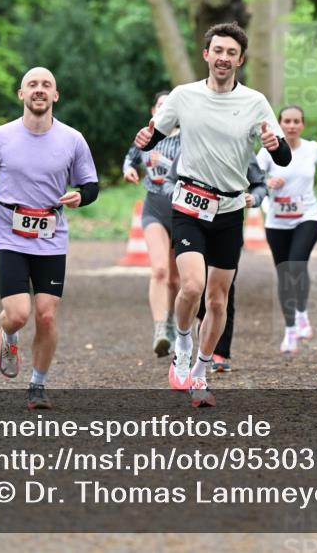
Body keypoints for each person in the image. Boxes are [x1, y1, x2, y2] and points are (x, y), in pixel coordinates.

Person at [134, 22, 291, 407]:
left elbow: (284, 156)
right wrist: (145, 139)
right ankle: (182, 345)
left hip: (230, 209)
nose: (223, 58)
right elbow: (155, 136)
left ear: (240, 60)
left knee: (218, 301)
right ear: (206, 54)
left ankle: (201, 373)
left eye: (231, 53)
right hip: (189, 203)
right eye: (217, 50)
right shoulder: (184, 96)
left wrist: (273, 145)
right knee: (192, 287)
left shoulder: (255, 102)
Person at [0, 67, 99, 410]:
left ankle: (37, 385)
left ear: (55, 95)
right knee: (18, 315)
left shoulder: (72, 139)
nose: (39, 89)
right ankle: (8, 334)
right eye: (32, 84)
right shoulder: (0, 137)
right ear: (21, 94)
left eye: (46, 85)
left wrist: (81, 196)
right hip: (9, 233)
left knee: (46, 316)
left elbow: (91, 185)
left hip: (51, 235)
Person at [163, 153, 269, 373]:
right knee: (194, 286)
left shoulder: (241, 146)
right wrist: (180, 195)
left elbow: (260, 185)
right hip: (191, 219)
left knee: (221, 296)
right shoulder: (193, 142)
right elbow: (169, 182)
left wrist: (254, 198)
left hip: (228, 222)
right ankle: (188, 339)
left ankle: (216, 353)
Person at [257, 105, 317, 354]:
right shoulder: (267, 152)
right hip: (277, 221)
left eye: (296, 121)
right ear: (279, 124)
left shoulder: (313, 148)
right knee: (284, 274)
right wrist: (268, 181)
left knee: (297, 264)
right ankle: (290, 329)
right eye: (287, 121)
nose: (291, 126)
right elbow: (252, 179)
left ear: (303, 124)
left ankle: (302, 313)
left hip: (307, 216)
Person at [123, 91, 181, 357]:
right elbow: (131, 157)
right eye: (160, 105)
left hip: (180, 211)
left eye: (170, 106)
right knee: (159, 270)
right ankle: (160, 330)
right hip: (154, 208)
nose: (164, 110)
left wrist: (164, 161)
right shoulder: (145, 135)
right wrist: (128, 169)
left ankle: (172, 322)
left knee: (176, 279)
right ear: (153, 111)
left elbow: (190, 169)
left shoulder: (187, 138)